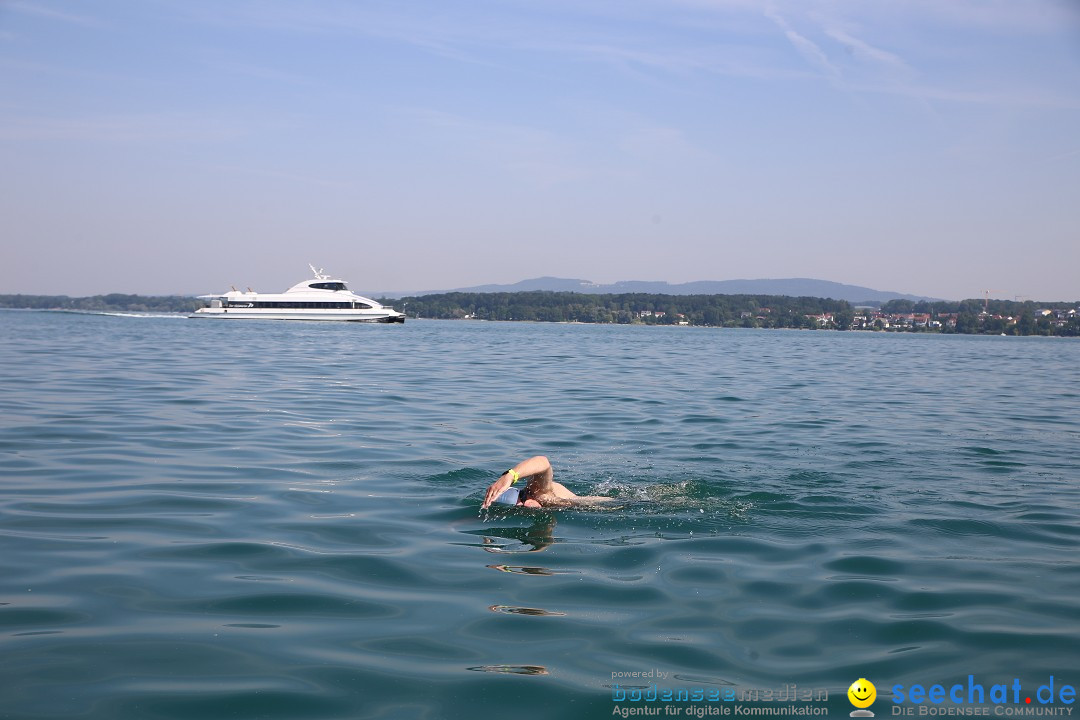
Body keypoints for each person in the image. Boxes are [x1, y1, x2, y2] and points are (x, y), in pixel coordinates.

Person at [481, 456, 614, 509]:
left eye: (522, 499)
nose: (526, 505)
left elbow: (543, 462)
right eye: (520, 507)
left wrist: (510, 476)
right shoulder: (535, 505)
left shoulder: (537, 492)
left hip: (618, 504)